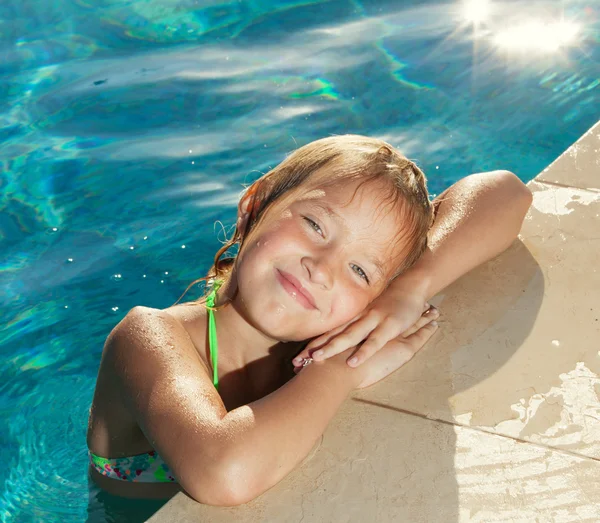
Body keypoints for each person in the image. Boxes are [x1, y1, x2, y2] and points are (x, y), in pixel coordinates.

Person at [86, 135, 532, 506]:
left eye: (361, 271)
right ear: (255, 205)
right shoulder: (148, 336)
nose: (322, 269)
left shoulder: (335, 321)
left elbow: (507, 192)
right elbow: (225, 474)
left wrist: (410, 289)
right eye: (317, 225)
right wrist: (341, 370)